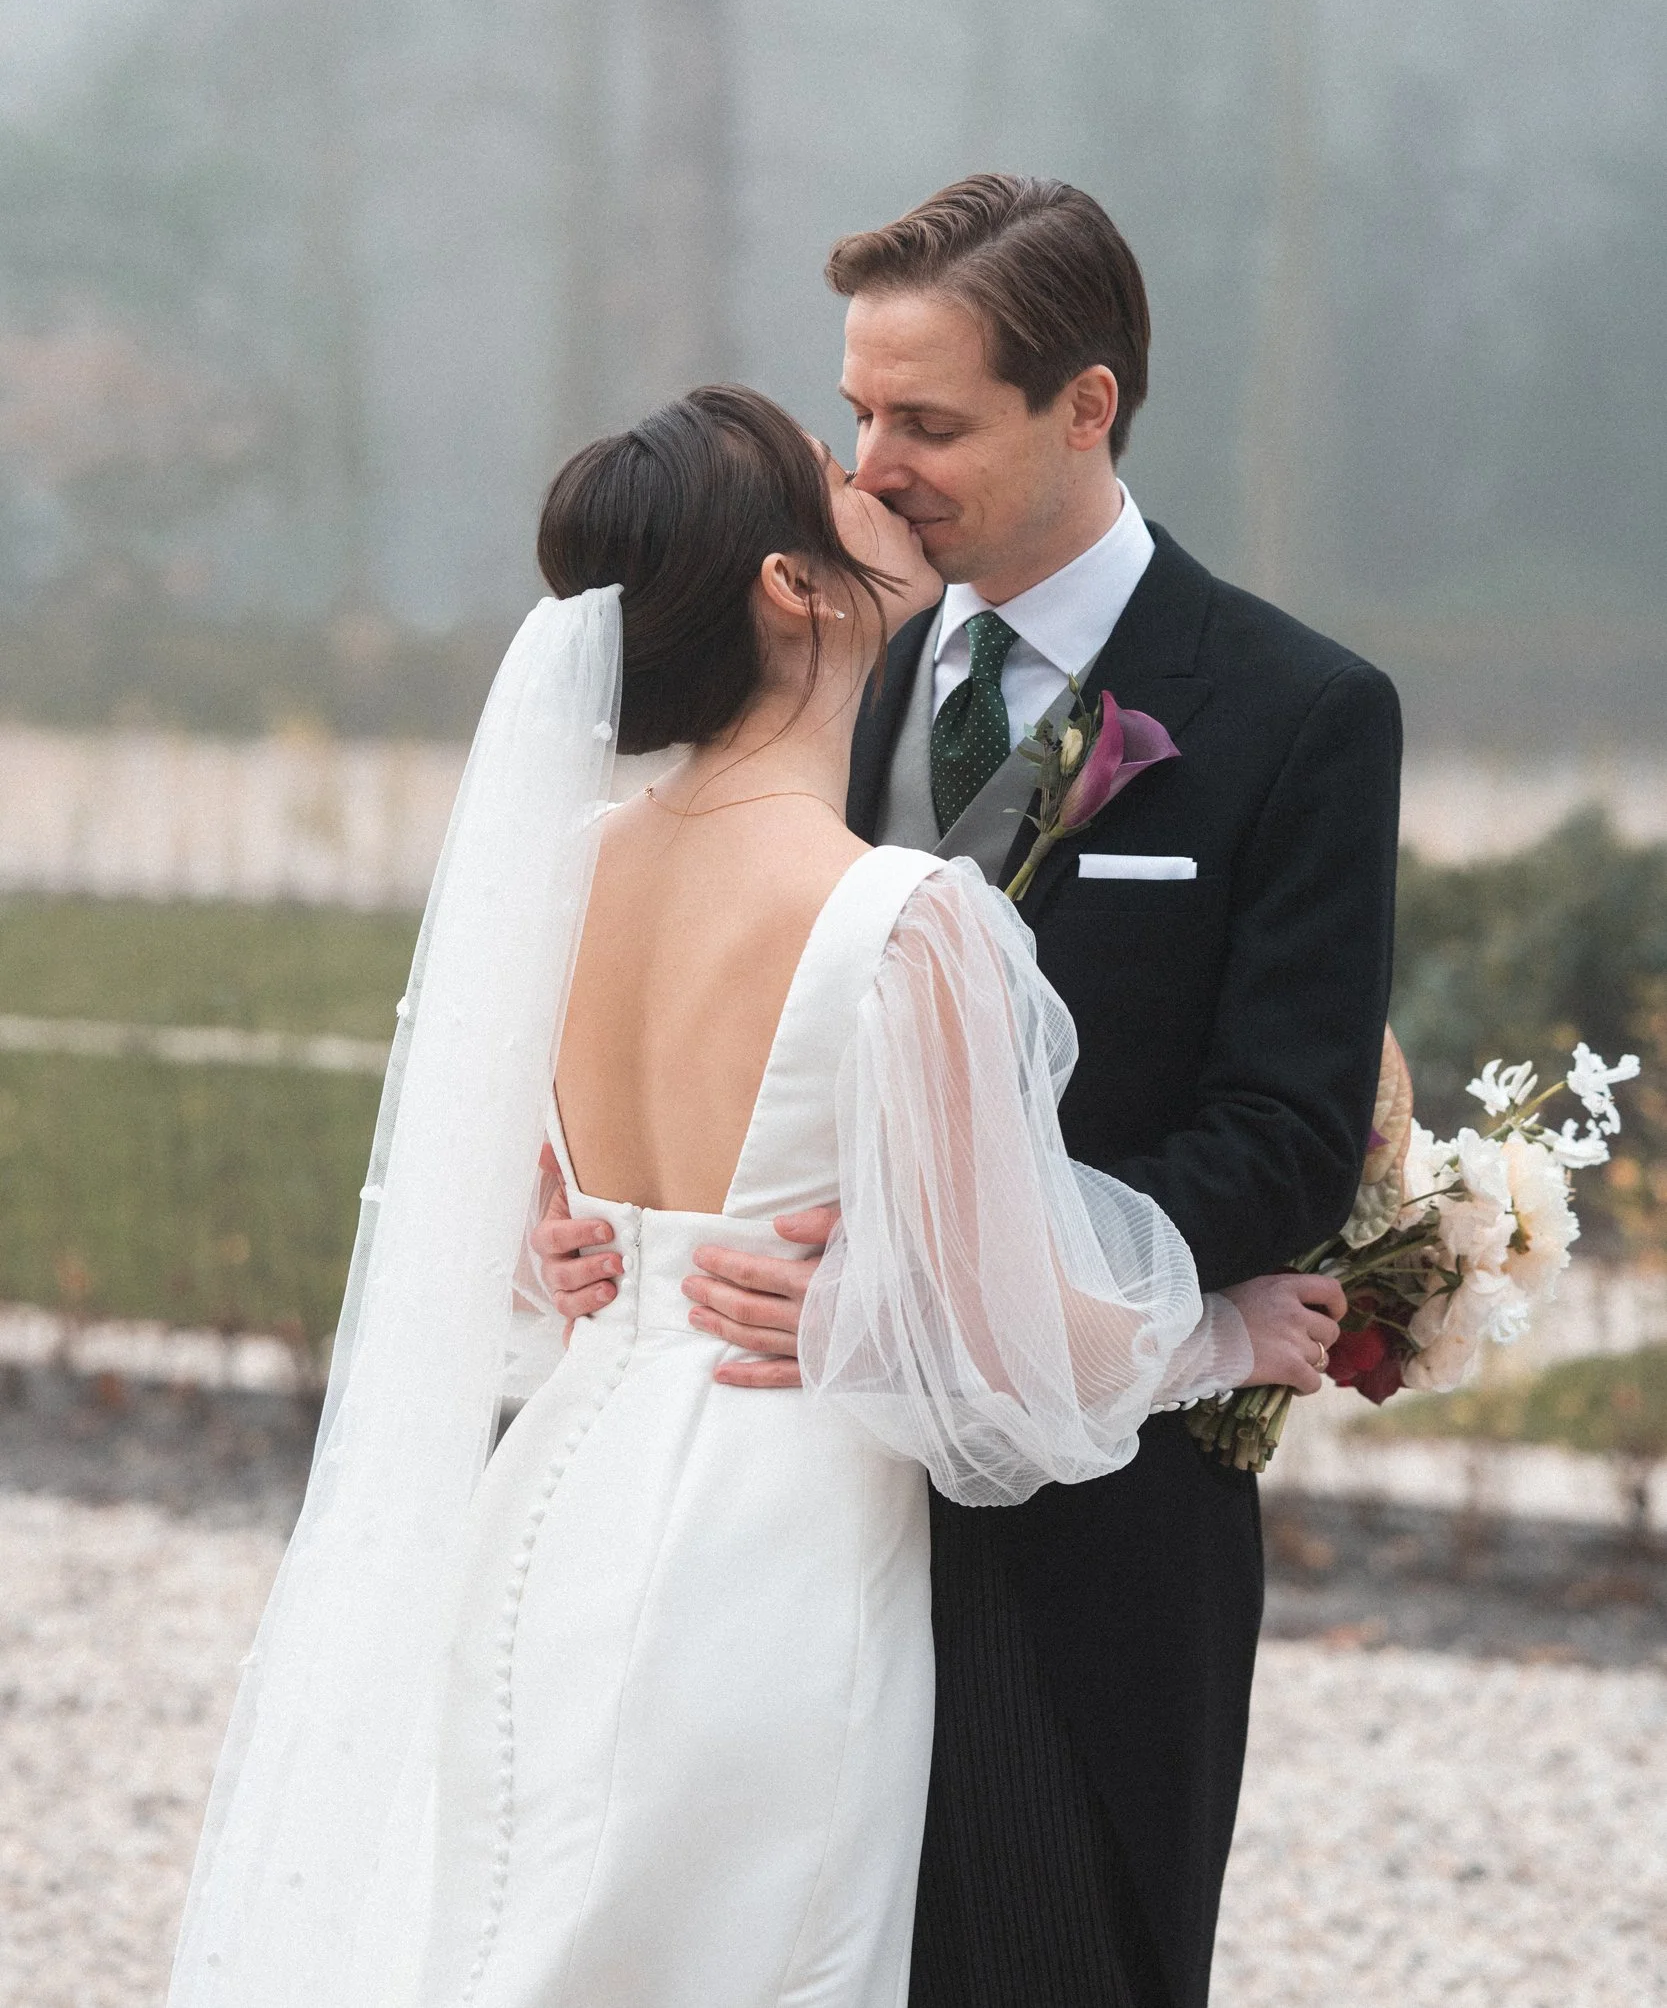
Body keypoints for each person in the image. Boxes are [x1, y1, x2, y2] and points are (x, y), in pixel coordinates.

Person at [167, 382, 1340, 2008]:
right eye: (827, 470)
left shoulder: (561, 866)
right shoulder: (897, 919)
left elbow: (502, 1214)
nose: (871, 474)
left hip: (560, 1500)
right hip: (775, 1529)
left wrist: (563, 1248)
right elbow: (1024, 1340)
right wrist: (1234, 1331)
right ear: (791, 588)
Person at [540, 181, 1402, 2008]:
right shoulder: (806, 675)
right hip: (763, 1501)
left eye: (928, 423)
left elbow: (1284, 1140)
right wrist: (579, 1203)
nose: (874, 466)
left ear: (1084, 407)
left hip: (1085, 1542)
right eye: (857, 412)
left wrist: (946, 1299)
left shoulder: (1293, 710)